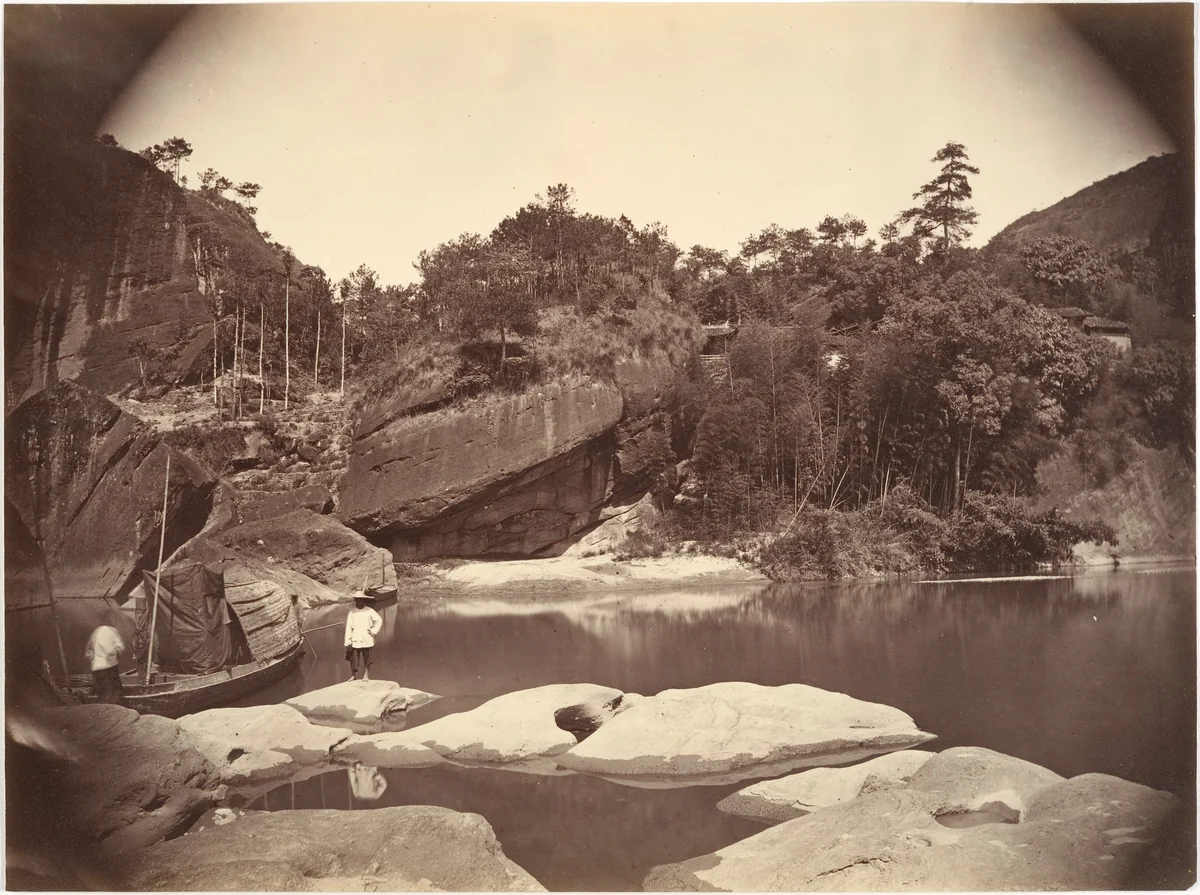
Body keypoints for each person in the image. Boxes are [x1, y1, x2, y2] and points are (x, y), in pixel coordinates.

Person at [85, 613, 126, 705]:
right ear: (111, 620)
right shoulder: (109, 631)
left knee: (102, 693)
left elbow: (88, 651)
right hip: (108, 668)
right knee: (114, 693)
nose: (116, 621)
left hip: (96, 668)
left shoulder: (96, 631)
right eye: (115, 619)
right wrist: (117, 650)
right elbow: (109, 650)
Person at [343, 591, 383, 682]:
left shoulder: (369, 611)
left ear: (364, 600)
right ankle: (353, 675)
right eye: (357, 600)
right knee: (353, 658)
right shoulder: (352, 612)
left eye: (361, 600)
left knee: (367, 658)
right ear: (355, 600)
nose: (359, 602)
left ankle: (366, 675)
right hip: (355, 638)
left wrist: (373, 631)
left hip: (366, 638)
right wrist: (348, 641)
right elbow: (348, 627)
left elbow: (379, 620)